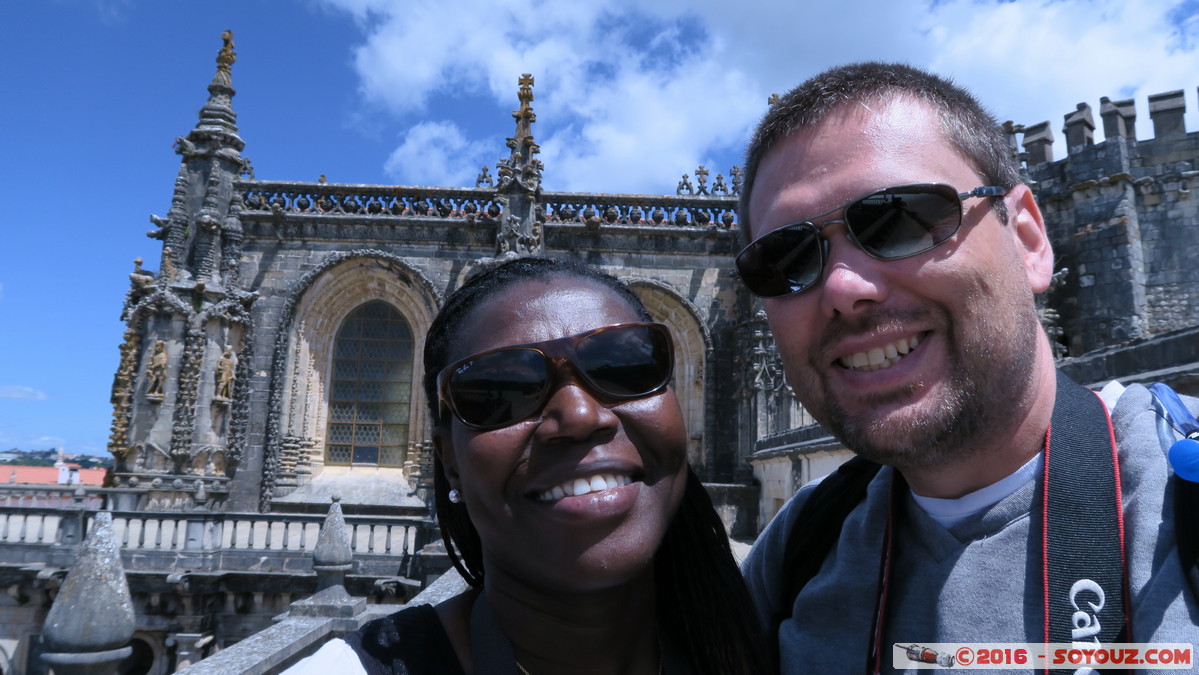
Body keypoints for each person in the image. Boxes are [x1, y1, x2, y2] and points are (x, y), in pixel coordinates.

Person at [736, 62, 1199, 673]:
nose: (844, 287)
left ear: (1029, 239)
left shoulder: (1179, 502)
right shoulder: (798, 548)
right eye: (786, 260)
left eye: (899, 219)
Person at [288, 257, 766, 674]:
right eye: (502, 390)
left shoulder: (793, 640)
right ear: (448, 459)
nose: (580, 416)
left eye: (626, 367)